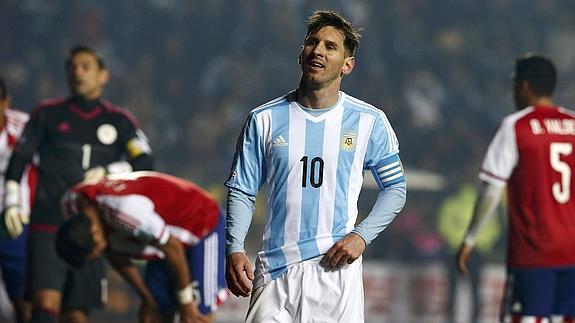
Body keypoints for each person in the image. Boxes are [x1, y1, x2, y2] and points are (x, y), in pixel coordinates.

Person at [224, 10, 407, 322]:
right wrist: (234, 247)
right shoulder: (264, 119)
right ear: (301, 54)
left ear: (348, 65)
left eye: (330, 46)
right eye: (312, 42)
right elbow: (242, 189)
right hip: (275, 272)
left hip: (335, 272)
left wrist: (361, 236)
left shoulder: (369, 121)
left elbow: (395, 189)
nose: (318, 50)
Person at [2, 45, 154, 323]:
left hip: (92, 230)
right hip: (48, 222)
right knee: (44, 305)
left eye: (86, 67)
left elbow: (145, 161)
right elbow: (20, 156)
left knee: (77, 312)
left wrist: (110, 171)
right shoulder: (47, 114)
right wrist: (11, 198)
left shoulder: (119, 121)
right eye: (72, 67)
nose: (78, 73)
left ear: (103, 75)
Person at [457, 53, 575, 322]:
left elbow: (491, 189)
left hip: (535, 253)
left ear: (523, 86)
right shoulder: (573, 125)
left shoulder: (516, 126)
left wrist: (471, 238)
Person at [55, 171, 228, 323]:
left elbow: (172, 248)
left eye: (96, 251)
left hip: (201, 223)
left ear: (96, 233)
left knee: (195, 314)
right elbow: (114, 253)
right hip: (159, 237)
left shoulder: (125, 211)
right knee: (156, 313)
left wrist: (185, 301)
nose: (100, 255)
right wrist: (148, 300)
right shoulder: (70, 203)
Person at [0, 76, 38, 323]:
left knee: (23, 299)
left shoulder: (25, 127)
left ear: (5, 102)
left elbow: (51, 168)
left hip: (15, 224)